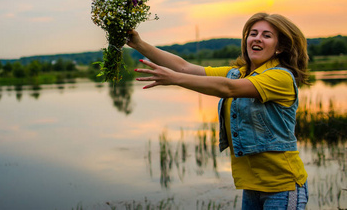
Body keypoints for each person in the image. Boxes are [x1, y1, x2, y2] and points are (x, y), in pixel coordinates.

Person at [127, 12, 309, 210]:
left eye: (266, 35)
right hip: (252, 187)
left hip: (282, 187)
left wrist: (174, 79)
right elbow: (184, 67)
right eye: (253, 33)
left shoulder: (280, 77)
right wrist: (139, 44)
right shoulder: (237, 73)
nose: (257, 38)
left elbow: (228, 88)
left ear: (280, 47)